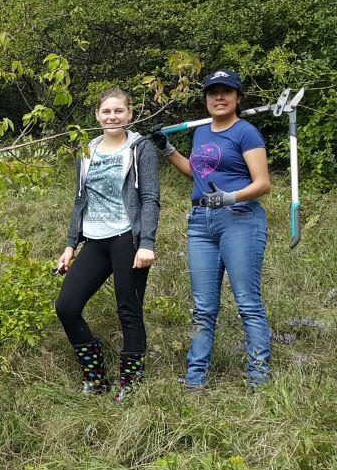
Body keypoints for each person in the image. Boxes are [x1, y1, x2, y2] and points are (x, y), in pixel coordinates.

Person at [150, 68, 273, 388]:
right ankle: (195, 379)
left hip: (240, 219)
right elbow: (196, 172)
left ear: (237, 97)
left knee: (247, 302)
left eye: (226, 92)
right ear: (206, 98)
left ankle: (258, 378)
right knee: (203, 308)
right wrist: (167, 148)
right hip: (201, 223)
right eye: (213, 92)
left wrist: (228, 198)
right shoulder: (202, 131)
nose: (219, 97)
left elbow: (263, 184)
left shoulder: (246, 132)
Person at [55, 87, 160, 400]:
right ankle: (96, 377)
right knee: (67, 306)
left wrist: (147, 242)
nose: (112, 116)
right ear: (97, 116)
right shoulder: (87, 150)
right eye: (106, 111)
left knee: (128, 310)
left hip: (127, 237)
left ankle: (129, 382)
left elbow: (150, 198)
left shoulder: (140, 148)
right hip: (95, 239)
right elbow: (79, 200)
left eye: (119, 111)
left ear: (129, 115)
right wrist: (70, 246)